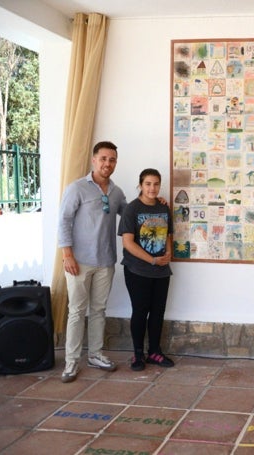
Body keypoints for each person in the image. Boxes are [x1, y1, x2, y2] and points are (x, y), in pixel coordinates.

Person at [58, 141, 127, 383]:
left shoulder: (117, 192)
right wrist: (67, 255)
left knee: (98, 310)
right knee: (76, 311)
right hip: (78, 261)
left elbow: (129, 214)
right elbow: (64, 220)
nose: (108, 164)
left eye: (112, 160)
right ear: (94, 160)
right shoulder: (77, 188)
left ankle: (96, 355)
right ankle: (71, 362)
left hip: (105, 261)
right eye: (104, 159)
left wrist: (153, 202)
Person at [118, 168, 174, 371]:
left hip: (161, 271)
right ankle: (138, 354)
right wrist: (152, 260)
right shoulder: (132, 209)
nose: (152, 188)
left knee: (158, 312)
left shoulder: (163, 208)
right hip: (137, 270)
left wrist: (168, 255)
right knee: (140, 311)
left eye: (156, 184)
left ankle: (155, 352)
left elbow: (168, 235)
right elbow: (127, 242)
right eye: (148, 184)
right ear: (140, 185)